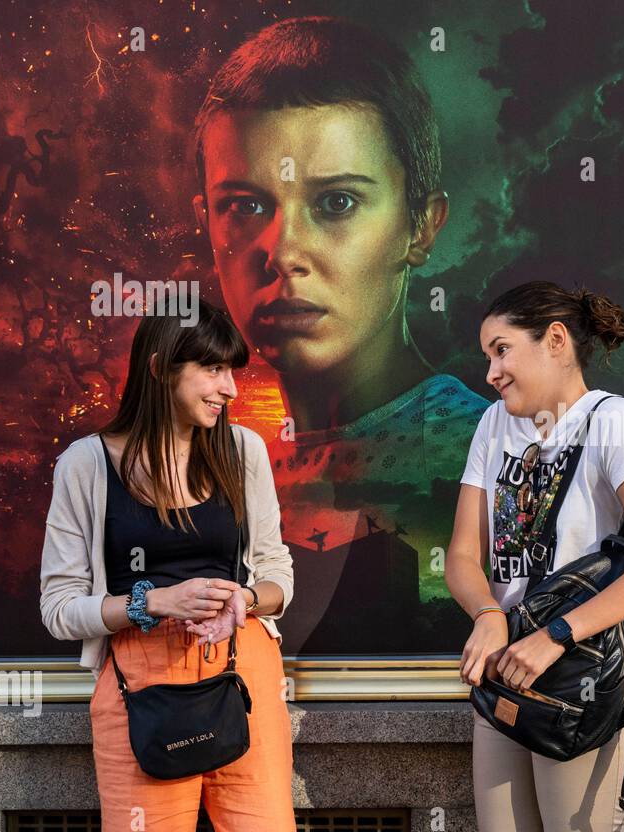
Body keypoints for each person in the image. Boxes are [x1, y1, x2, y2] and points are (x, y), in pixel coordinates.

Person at [191, 16, 490, 653]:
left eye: (337, 203)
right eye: (244, 205)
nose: (282, 251)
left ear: (421, 226)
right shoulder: (221, 459)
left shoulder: (490, 455)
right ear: (207, 222)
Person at [39, 307, 299, 832]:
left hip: (242, 671)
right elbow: (59, 609)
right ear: (160, 369)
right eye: (212, 370)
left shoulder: (243, 451)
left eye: (232, 371)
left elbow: (278, 573)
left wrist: (245, 599)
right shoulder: (86, 465)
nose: (229, 388)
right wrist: (151, 602)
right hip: (139, 685)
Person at [447, 280, 624, 832]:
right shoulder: (493, 426)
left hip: (578, 675)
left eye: (502, 350)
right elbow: (462, 555)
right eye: (487, 356)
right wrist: (487, 615)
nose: (491, 372)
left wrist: (556, 635)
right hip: (502, 671)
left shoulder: (616, 423)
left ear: (555, 340)